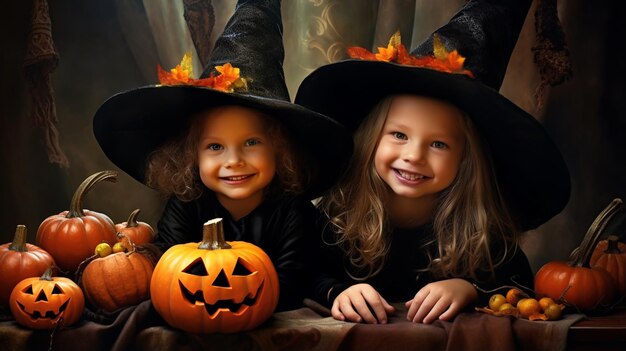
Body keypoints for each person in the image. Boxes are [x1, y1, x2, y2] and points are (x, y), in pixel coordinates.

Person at [295, 0, 570, 324]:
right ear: (371, 140)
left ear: (466, 159)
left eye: (439, 143)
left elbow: (520, 283)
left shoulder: (478, 230)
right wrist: (337, 292)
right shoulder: (340, 217)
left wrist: (469, 289)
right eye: (398, 135)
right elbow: (303, 272)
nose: (414, 155)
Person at [92, 0, 351, 312]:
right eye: (215, 147)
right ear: (190, 155)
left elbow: (295, 280)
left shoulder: (292, 211)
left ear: (280, 151)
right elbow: (167, 267)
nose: (234, 160)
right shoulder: (188, 205)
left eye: (251, 142)